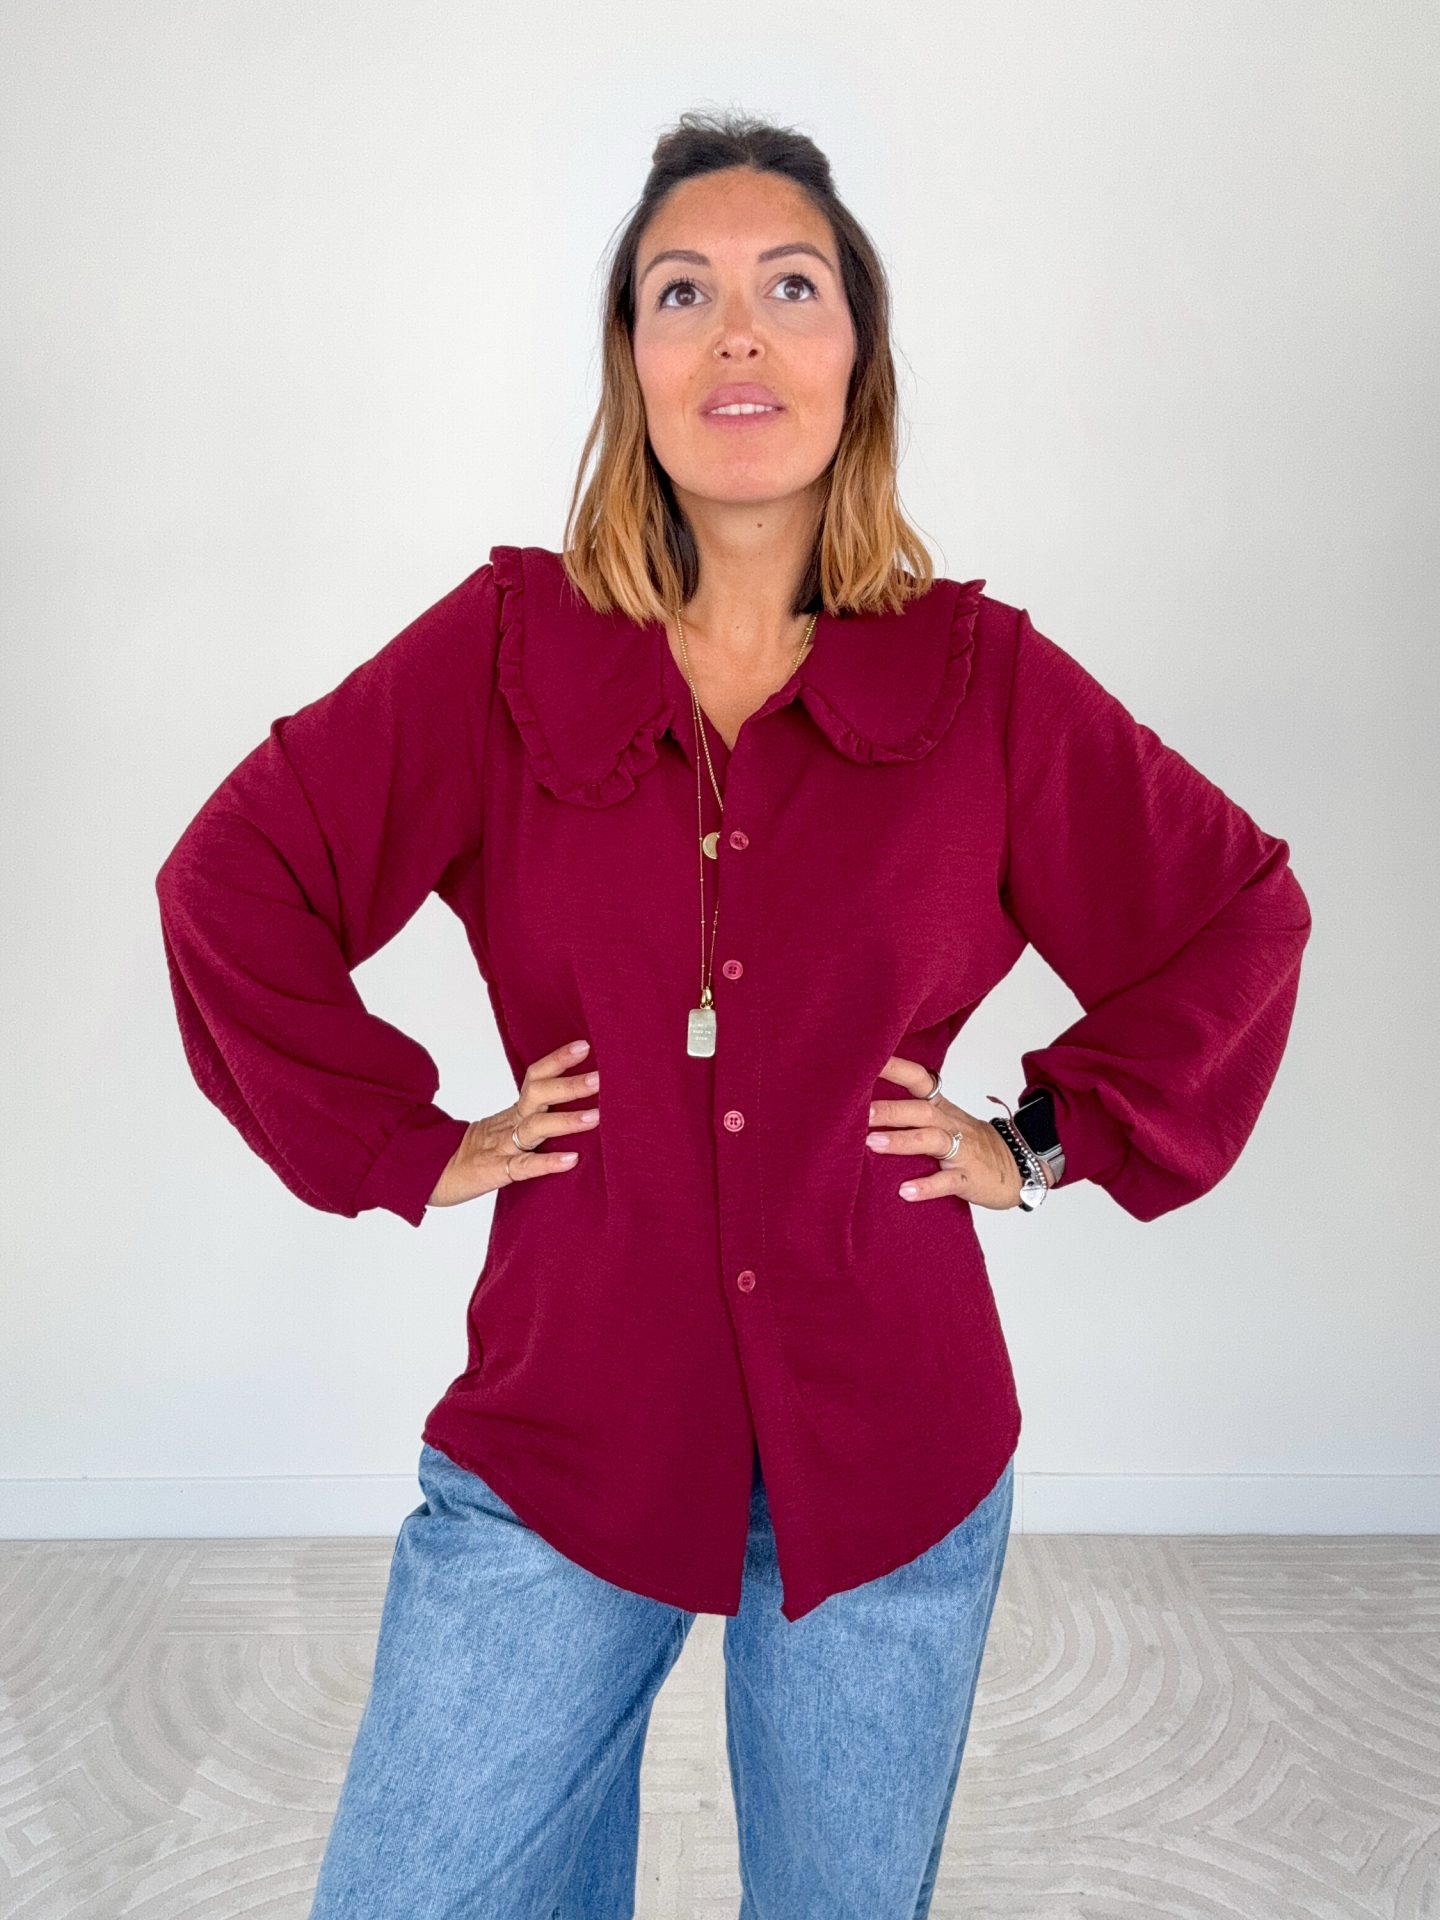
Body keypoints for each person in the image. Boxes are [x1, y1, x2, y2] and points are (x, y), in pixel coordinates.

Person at [153, 110, 1312, 1920]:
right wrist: (402, 1140)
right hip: (568, 1425)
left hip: (894, 1442)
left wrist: (1039, 1139)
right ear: (632, 358)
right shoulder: (506, 646)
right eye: (682, 293)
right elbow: (231, 880)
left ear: (859, 351)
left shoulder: (985, 680)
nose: (739, 333)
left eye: (793, 286)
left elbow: (1237, 911)